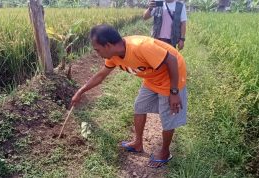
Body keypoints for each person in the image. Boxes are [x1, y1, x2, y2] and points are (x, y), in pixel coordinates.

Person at [71, 25, 187, 168]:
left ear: (107, 45)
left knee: (168, 116)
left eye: (97, 50)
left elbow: (172, 61)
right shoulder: (113, 56)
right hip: (152, 78)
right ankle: (138, 143)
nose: (97, 53)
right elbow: (100, 76)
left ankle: (165, 151)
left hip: (171, 76)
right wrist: (80, 91)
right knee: (139, 106)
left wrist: (174, 92)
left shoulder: (141, 47)